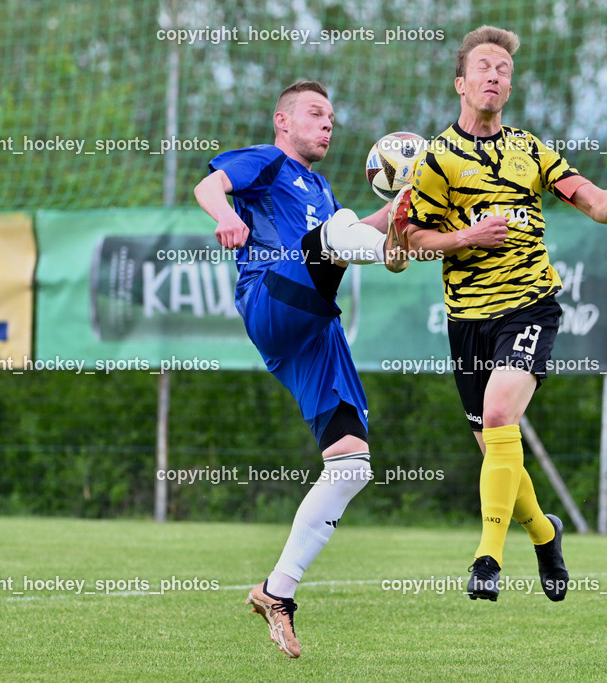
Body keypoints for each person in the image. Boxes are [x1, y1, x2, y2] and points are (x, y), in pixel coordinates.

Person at [400, 26, 607, 601]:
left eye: (504, 70)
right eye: (484, 67)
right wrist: (468, 237)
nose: (495, 75)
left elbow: (595, 205)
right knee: (498, 452)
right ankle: (545, 535)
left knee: (498, 418)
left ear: (509, 88)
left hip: (529, 304)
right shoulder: (437, 160)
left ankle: (486, 560)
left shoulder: (531, 149)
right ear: (461, 82)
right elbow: (413, 241)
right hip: (466, 319)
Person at [194, 80, 406, 658]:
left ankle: (276, 591)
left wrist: (406, 209)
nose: (327, 123)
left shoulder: (322, 188)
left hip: (314, 330)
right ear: (282, 122)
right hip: (272, 298)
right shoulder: (267, 162)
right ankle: (392, 251)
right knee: (339, 232)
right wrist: (224, 217)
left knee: (352, 465)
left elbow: (352, 233)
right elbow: (209, 184)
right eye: (315, 113)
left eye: (332, 116)